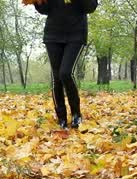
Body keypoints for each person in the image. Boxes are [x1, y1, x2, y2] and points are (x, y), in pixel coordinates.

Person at [33, 0, 98, 129]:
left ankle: (76, 114)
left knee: (65, 73)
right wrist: (37, 2)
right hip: (53, 35)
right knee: (57, 77)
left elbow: (90, 7)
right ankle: (61, 117)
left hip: (76, 34)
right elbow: (44, 9)